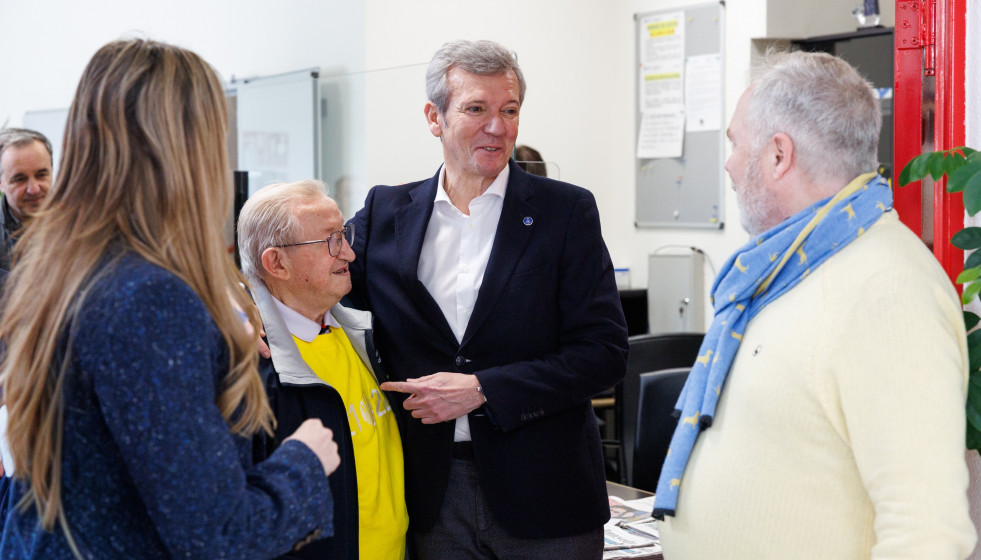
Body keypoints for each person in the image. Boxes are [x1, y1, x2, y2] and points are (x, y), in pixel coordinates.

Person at [0, 39, 341, 559]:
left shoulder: (63, 270)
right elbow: (216, 535)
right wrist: (304, 462)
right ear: (186, 148)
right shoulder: (149, 299)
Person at [654, 50, 977, 558]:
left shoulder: (887, 290)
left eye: (736, 144)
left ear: (779, 155)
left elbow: (928, 534)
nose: (729, 164)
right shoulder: (786, 270)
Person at [348, 39, 628, 559]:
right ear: (435, 117)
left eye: (510, 110)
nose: (497, 127)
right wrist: (260, 324)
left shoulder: (565, 213)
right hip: (430, 493)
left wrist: (484, 389)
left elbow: (604, 354)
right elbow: (315, 279)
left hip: (547, 496)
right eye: (477, 109)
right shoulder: (386, 212)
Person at [238, 180, 407, 560]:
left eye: (344, 234)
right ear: (276, 263)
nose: (348, 253)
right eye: (330, 240)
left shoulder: (365, 332)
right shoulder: (250, 367)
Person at [0, 128, 53, 270]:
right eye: (20, 179)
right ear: (1, 184)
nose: (34, 189)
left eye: (41, 175)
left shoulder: (82, 227)